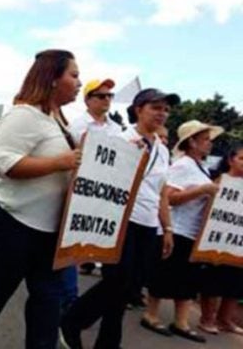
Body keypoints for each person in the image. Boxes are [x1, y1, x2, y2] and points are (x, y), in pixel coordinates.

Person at [0, 49, 82, 349]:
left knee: (47, 297)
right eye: (73, 75)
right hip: (15, 219)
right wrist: (59, 164)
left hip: (50, 228)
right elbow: (4, 163)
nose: (79, 83)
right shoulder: (24, 115)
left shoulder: (58, 123)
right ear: (53, 78)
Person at [62, 88, 181, 349]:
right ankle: (73, 321)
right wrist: (126, 154)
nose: (162, 114)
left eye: (166, 109)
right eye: (156, 107)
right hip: (121, 221)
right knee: (118, 281)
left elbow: (161, 192)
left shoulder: (162, 150)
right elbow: (98, 174)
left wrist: (167, 227)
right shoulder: (120, 138)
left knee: (128, 288)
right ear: (139, 109)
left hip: (148, 225)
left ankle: (103, 339)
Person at [140, 120, 223, 343]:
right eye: (205, 140)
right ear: (192, 142)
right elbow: (169, 198)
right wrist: (202, 190)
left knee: (188, 278)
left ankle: (181, 321)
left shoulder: (202, 168)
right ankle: (151, 314)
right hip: (176, 228)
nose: (210, 144)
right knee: (165, 273)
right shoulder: (182, 166)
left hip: (192, 232)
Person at [69, 78, 122, 277]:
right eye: (101, 96)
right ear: (88, 100)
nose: (107, 99)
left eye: (110, 96)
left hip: (106, 189)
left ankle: (91, 258)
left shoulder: (116, 129)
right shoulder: (77, 127)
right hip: (82, 186)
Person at [198, 144, 243, 336]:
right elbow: (207, 208)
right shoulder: (219, 180)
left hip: (238, 241)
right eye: (242, 158)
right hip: (216, 237)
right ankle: (207, 318)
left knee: (236, 281)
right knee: (214, 279)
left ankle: (225, 319)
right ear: (231, 159)